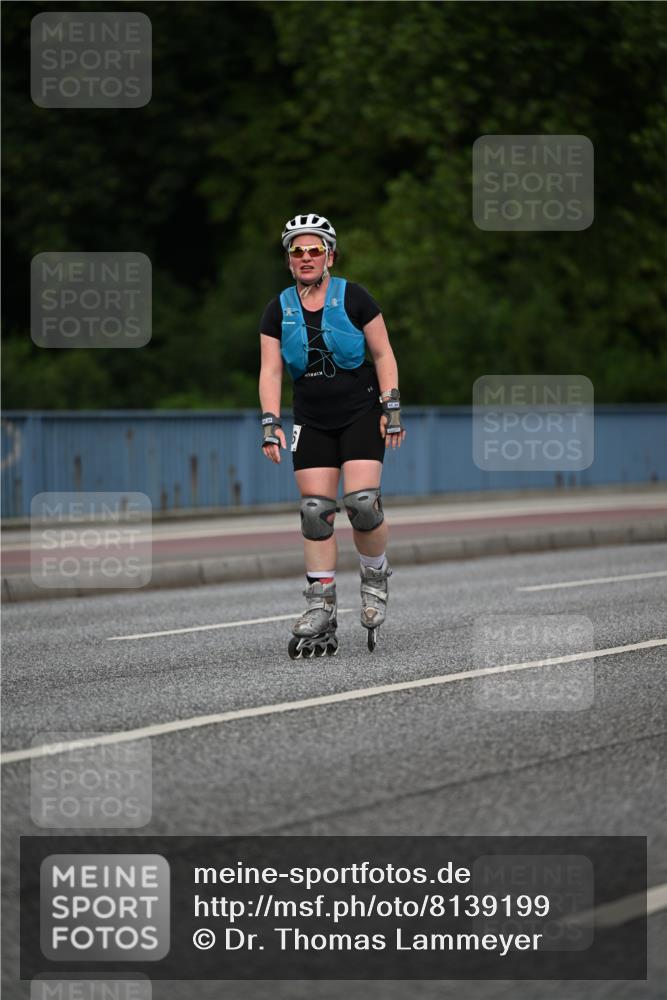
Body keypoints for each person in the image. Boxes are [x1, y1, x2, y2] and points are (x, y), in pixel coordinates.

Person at [258, 213, 405, 657]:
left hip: (361, 413)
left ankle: (375, 574)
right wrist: (270, 421)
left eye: (314, 250)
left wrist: (391, 406)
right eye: (297, 251)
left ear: (330, 256)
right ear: (289, 261)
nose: (306, 258)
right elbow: (270, 370)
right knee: (315, 511)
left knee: (362, 504)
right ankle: (320, 604)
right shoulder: (277, 309)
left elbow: (383, 353)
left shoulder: (355, 298)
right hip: (312, 419)